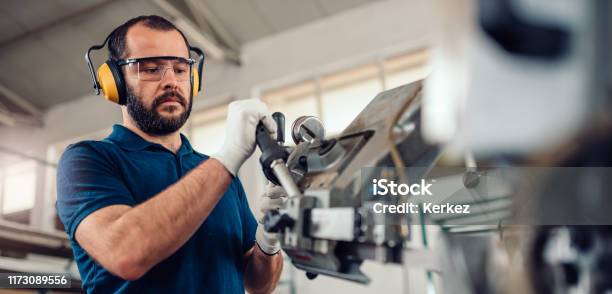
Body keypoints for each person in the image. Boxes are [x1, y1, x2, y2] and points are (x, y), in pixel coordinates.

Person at [56, 15, 283, 293]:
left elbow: (259, 285)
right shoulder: (88, 160)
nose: (171, 81)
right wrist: (228, 157)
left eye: (180, 69)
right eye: (151, 69)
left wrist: (269, 237)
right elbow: (125, 253)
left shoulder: (220, 176)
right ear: (113, 81)